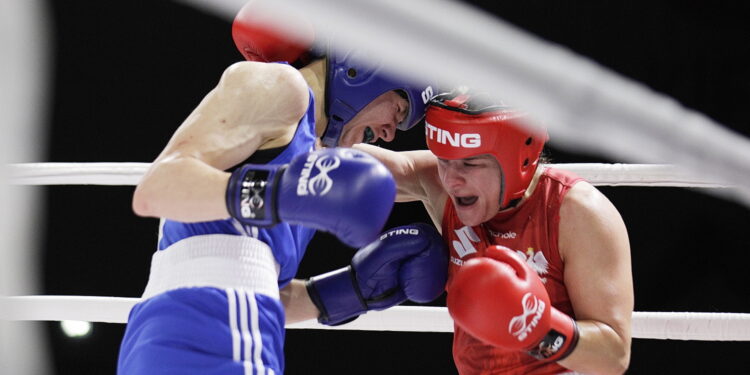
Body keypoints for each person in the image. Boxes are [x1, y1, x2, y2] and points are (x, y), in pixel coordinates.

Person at [117, 3, 444, 374]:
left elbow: (424, 171)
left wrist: (350, 290)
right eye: (398, 112)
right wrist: (279, 193)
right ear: (366, 68)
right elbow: (158, 189)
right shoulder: (280, 87)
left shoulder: (316, 153)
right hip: (207, 329)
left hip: (223, 326)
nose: (390, 132)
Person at [357, 90, 633, 374]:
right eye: (443, 160)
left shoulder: (577, 213)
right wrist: (318, 110)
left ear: (519, 159)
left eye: (471, 164)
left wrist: (539, 331)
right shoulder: (441, 186)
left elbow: (613, 356)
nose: (451, 180)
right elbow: (350, 165)